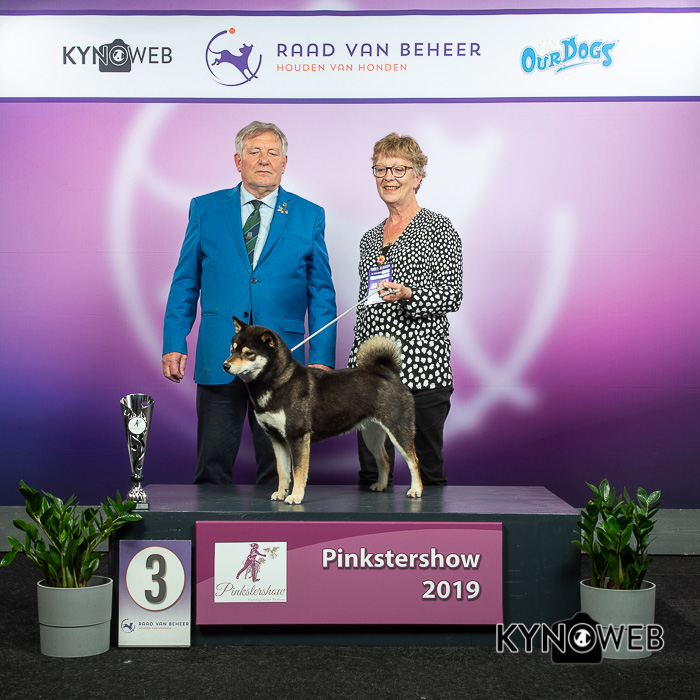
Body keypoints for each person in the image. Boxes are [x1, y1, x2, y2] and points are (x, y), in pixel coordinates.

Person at [162, 120, 337, 485]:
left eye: (272, 153)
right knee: (212, 465)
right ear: (238, 160)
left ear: (284, 163)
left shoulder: (309, 214)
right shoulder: (205, 208)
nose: (263, 160)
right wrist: (175, 341)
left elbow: (321, 292)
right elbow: (185, 282)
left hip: (282, 363)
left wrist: (321, 356)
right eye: (254, 152)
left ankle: (276, 520)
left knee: (279, 471)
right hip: (219, 354)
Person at [348, 133, 463, 486]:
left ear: (418, 177)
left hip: (421, 371)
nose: (389, 177)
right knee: (373, 473)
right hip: (370, 376)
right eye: (381, 169)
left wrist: (409, 294)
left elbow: (452, 295)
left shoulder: (439, 228)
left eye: (399, 169)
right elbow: (366, 308)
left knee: (425, 473)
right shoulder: (370, 238)